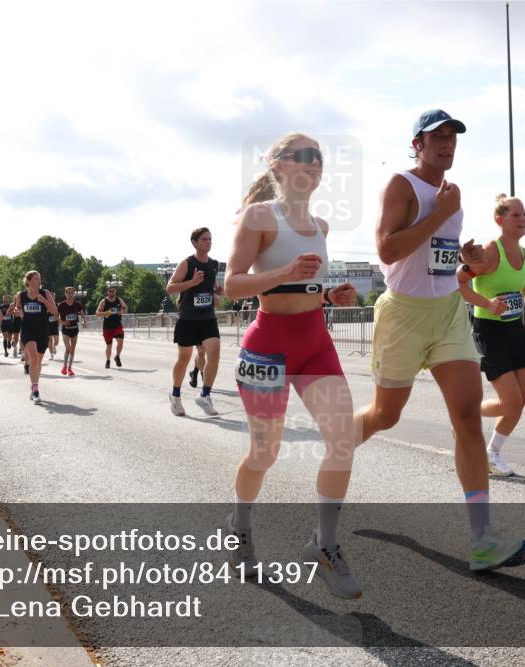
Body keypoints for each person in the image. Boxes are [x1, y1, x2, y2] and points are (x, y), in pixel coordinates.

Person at [354, 109, 525, 572]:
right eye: (437, 137)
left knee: (468, 417)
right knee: (385, 415)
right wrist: (441, 214)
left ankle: (482, 540)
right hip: (404, 315)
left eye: (453, 137)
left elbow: (442, 260)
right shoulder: (402, 185)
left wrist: (467, 259)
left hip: (449, 312)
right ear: (417, 144)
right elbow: (388, 251)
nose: (447, 144)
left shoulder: (452, 194)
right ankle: (341, 439)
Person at [224, 132, 361, 599]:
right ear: (277, 165)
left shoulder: (321, 225)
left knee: (343, 439)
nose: (312, 164)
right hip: (268, 348)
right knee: (265, 452)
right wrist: (284, 273)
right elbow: (233, 285)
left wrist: (330, 295)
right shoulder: (259, 216)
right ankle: (239, 526)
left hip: (314, 344)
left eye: (318, 158)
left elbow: (307, 287)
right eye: (301, 156)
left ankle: (324, 545)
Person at [456, 194, 525, 477]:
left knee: (520, 401)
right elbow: (460, 281)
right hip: (489, 332)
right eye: (516, 215)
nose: (522, 219)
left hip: (515, 330)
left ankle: (492, 452)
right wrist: (487, 303)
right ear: (499, 220)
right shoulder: (490, 251)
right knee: (510, 401)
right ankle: (466, 415)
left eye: (524, 214)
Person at [166, 227, 224, 416]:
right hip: (188, 320)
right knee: (183, 359)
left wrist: (218, 292)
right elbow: (170, 287)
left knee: (214, 352)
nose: (209, 242)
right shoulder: (187, 264)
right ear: (195, 242)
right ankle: (175, 396)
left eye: (210, 239)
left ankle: (205, 396)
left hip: (207, 318)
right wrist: (191, 282)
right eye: (205, 239)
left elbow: (212, 289)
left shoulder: (214, 264)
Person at [15, 270, 58, 404]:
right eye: (35, 278)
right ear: (28, 281)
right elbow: (17, 310)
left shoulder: (45, 293)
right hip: (27, 329)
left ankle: (33, 383)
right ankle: (35, 390)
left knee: (38, 360)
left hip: (42, 330)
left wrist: (44, 301)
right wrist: (18, 312)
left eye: (39, 278)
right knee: (33, 356)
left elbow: (55, 312)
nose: (38, 280)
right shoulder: (21, 295)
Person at [96, 286, 127, 369]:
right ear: (107, 292)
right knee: (109, 346)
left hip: (117, 325)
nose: (112, 292)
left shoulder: (119, 300)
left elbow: (125, 308)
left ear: (115, 292)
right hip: (107, 327)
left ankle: (117, 356)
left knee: (120, 340)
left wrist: (122, 311)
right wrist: (106, 313)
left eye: (113, 291)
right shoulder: (103, 301)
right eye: (110, 291)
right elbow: (97, 313)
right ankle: (108, 361)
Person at [57, 287, 86, 376]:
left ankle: (69, 368)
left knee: (72, 350)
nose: (70, 294)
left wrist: (83, 321)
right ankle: (64, 366)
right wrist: (63, 322)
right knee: (68, 349)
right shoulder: (61, 305)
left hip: (74, 328)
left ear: (74, 294)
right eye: (68, 293)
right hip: (66, 329)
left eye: (72, 293)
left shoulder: (77, 304)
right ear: (65, 294)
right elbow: (56, 317)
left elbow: (82, 313)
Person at [46, 291, 60, 360]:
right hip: (47, 324)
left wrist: (59, 318)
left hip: (54, 324)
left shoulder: (57, 305)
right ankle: (51, 355)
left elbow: (60, 313)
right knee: (49, 341)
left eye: (53, 296)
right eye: (50, 296)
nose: (52, 297)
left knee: (56, 341)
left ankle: (54, 346)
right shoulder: (45, 304)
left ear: (54, 297)